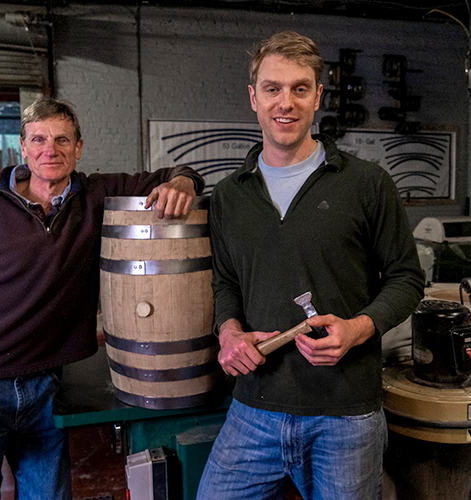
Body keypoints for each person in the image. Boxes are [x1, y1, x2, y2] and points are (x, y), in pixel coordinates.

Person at [0, 96, 204, 500]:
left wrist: (183, 184)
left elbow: (175, 172)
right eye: (39, 139)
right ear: (24, 147)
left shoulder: (95, 197)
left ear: (79, 148)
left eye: (63, 140)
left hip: (45, 386)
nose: (51, 150)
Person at [197, 31, 424, 499]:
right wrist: (228, 332)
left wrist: (359, 328)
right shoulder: (229, 195)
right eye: (273, 88)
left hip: (345, 413)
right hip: (254, 406)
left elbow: (406, 279)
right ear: (253, 98)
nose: (286, 102)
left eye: (300, 88)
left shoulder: (366, 184)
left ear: (318, 97)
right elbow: (226, 283)